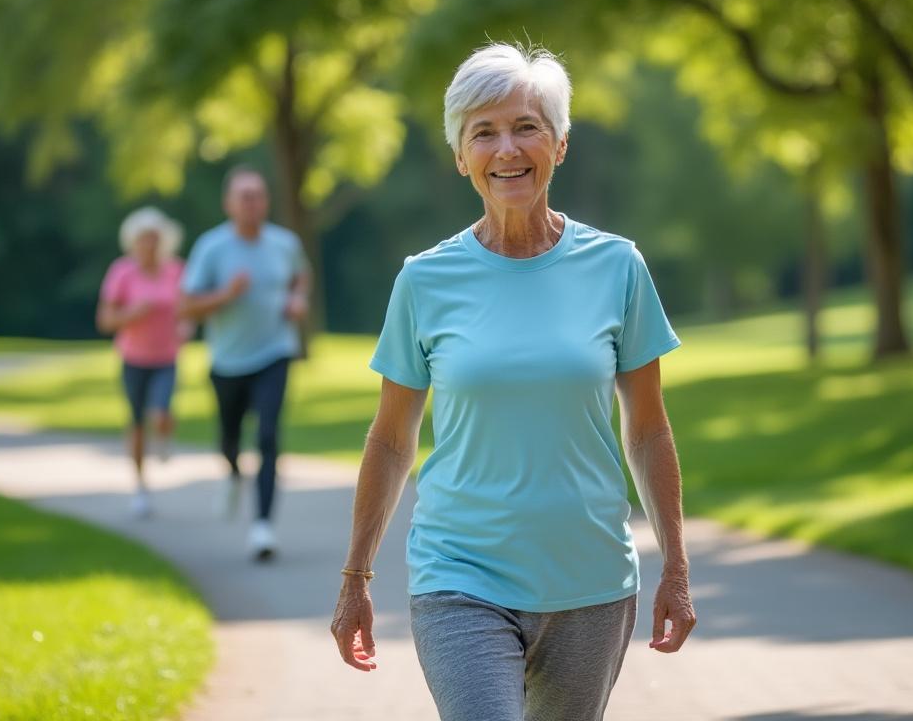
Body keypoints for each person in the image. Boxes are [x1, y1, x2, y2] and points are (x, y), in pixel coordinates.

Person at [331, 44, 697, 720]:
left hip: (587, 580)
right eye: (484, 132)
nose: (507, 149)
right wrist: (356, 575)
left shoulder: (618, 268)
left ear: (559, 145)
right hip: (459, 575)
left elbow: (647, 430)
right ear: (460, 156)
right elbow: (390, 440)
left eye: (526, 126)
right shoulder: (424, 279)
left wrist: (675, 566)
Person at [180, 166, 310, 560]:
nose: (253, 203)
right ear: (229, 204)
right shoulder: (212, 247)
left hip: (275, 351)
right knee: (229, 437)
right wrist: (225, 294)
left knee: (268, 436)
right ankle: (234, 472)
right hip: (228, 360)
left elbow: (301, 274)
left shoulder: (284, 242)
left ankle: (263, 528)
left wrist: (298, 299)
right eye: (245, 196)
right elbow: (186, 305)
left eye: (258, 195)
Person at [96, 207, 187, 519]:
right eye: (143, 239)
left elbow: (187, 308)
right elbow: (105, 320)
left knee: (160, 412)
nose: (149, 244)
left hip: (166, 357)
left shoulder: (176, 270)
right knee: (136, 422)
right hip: (133, 358)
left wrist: (186, 326)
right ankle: (140, 486)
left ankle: (163, 434)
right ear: (133, 241)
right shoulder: (122, 272)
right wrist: (132, 313)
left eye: (154, 238)